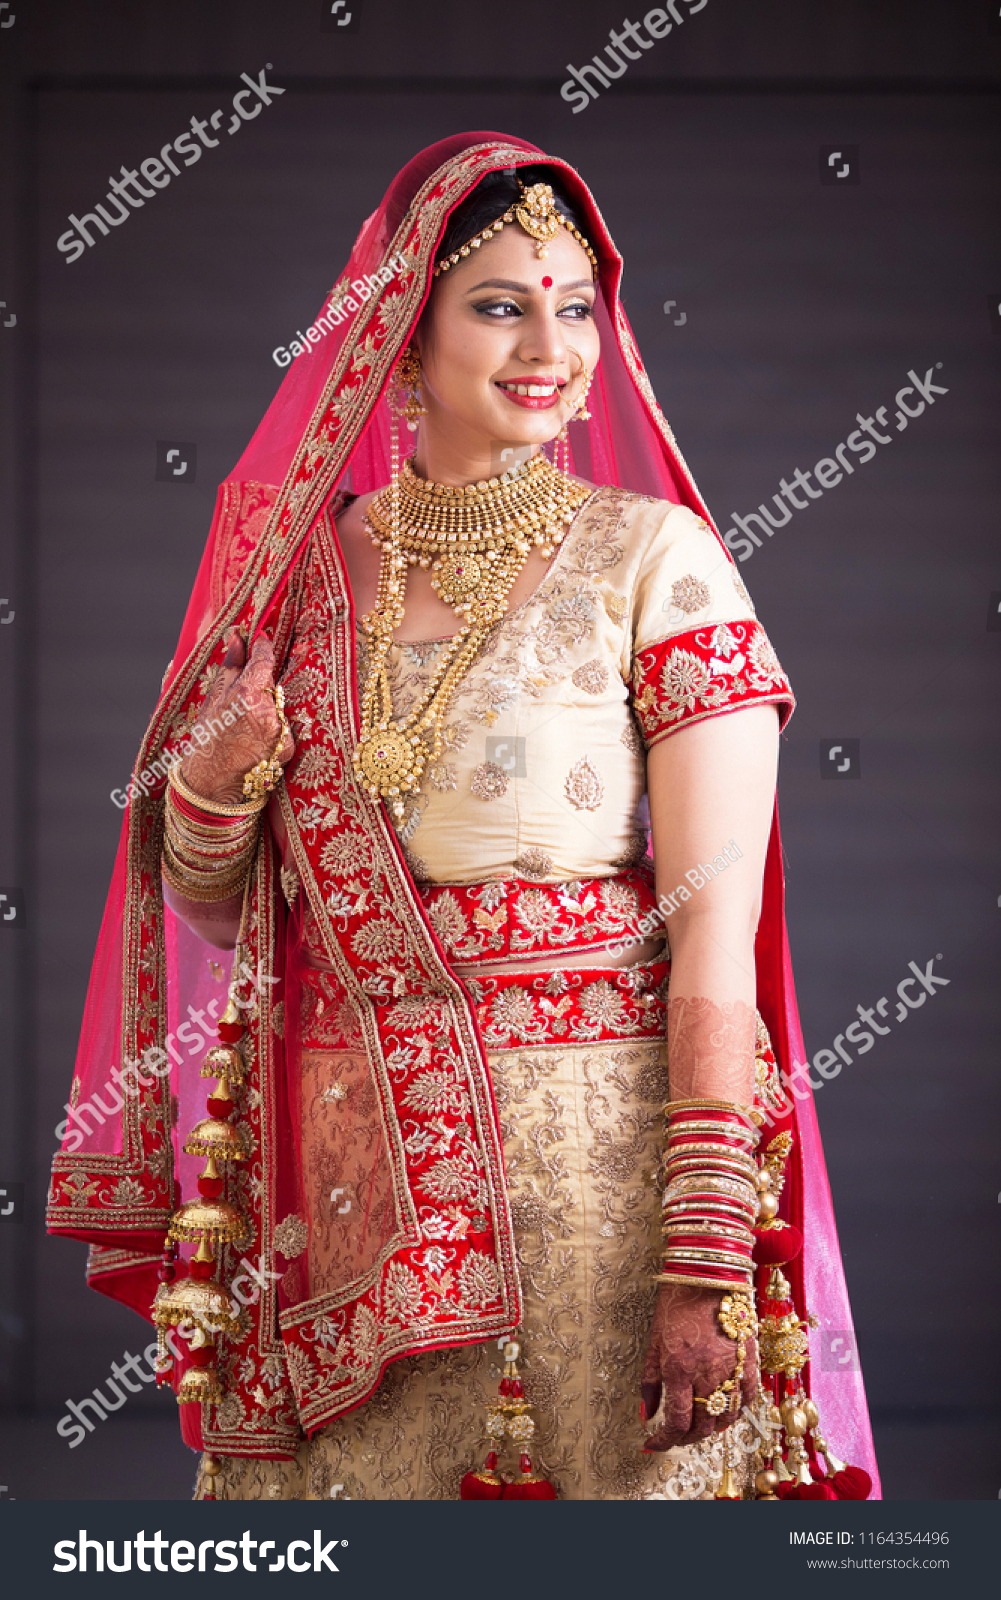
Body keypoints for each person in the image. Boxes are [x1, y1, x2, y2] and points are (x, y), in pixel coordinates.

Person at [47, 132, 878, 1501]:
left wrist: (704, 1249)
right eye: (499, 304)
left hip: (599, 1187)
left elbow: (716, 932)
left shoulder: (652, 559)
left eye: (573, 307)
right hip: (343, 1193)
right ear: (401, 331)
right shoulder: (296, 575)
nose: (547, 342)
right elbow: (224, 911)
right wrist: (216, 777)